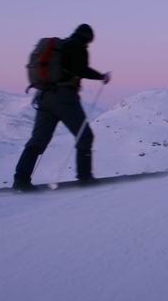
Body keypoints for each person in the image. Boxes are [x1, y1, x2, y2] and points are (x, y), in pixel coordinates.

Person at [13, 24, 111, 190]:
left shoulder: (62, 46)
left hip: (44, 96)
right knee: (84, 135)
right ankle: (85, 177)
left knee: (38, 140)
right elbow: (81, 69)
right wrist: (101, 76)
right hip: (64, 97)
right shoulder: (78, 47)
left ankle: (21, 180)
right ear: (88, 38)